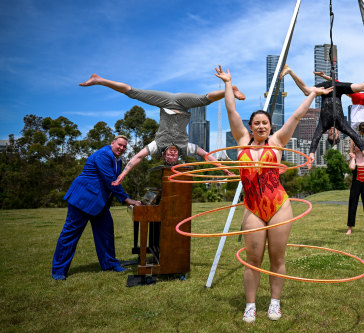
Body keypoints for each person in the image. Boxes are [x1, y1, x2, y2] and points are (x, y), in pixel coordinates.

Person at [215, 65, 331, 323]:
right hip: (253, 208)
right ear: (250, 126)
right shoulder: (241, 141)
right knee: (252, 259)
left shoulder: (278, 141)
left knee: (277, 257)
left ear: (270, 126)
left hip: (279, 205)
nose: (260, 126)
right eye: (256, 123)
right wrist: (228, 83)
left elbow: (297, 117)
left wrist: (312, 94)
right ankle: (250, 305)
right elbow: (232, 110)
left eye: (264, 123)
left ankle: (275, 303)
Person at [79, 73, 245, 184]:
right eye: (174, 156)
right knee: (204, 100)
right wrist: (224, 170)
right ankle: (229, 89)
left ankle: (99, 80)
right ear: (178, 155)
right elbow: (207, 156)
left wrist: (122, 175)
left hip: (165, 102)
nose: (173, 154)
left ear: (164, 153)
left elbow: (136, 158)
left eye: (169, 155)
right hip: (183, 104)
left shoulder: (156, 145)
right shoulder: (185, 147)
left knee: (133, 92)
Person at [52, 135, 142, 280]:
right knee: (70, 235)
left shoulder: (118, 161)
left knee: (106, 232)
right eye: (119, 144)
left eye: (124, 146)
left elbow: (115, 182)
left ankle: (110, 264)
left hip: (99, 204)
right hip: (82, 200)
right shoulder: (103, 155)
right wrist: (127, 200)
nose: (122, 148)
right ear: (112, 143)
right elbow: (111, 181)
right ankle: (59, 270)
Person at [280, 63, 364, 168]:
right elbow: (355, 136)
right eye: (334, 134)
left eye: (330, 134)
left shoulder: (323, 125)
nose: (332, 132)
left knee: (306, 91)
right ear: (339, 134)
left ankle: (289, 71)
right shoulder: (342, 124)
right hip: (337, 89)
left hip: (324, 89)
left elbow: (315, 138)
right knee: (362, 87)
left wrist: (311, 154)